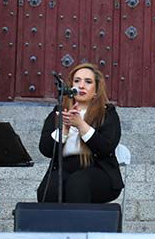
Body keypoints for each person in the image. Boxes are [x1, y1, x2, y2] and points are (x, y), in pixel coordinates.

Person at [37, 63, 123, 203]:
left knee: (78, 183)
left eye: (88, 82)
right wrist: (64, 128)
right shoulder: (59, 111)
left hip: (98, 170)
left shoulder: (107, 113)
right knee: (50, 187)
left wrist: (81, 125)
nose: (81, 86)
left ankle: (80, 225)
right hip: (64, 168)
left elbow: (106, 147)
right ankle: (52, 225)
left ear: (96, 90)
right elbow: (46, 150)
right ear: (70, 86)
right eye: (77, 81)